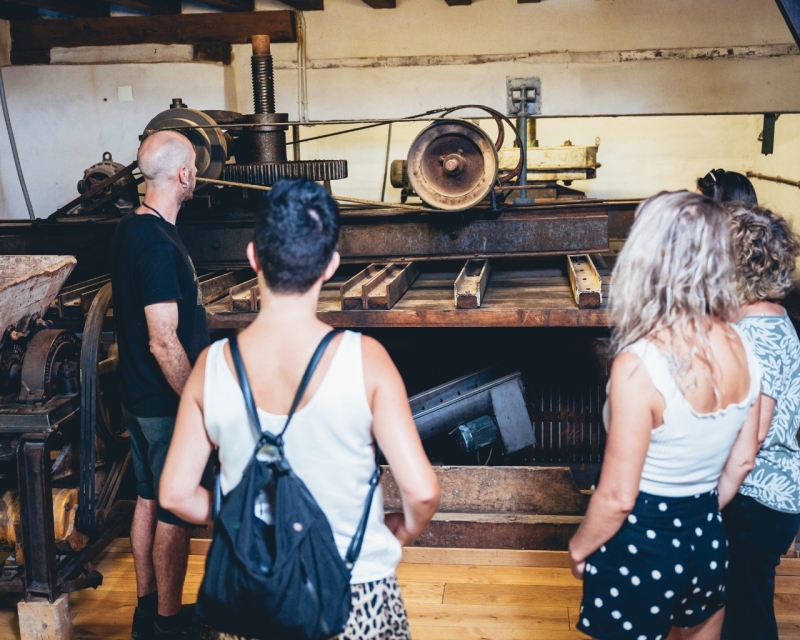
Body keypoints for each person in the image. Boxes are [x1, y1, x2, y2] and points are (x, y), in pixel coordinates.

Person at [159, 178, 441, 639]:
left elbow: (174, 495)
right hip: (354, 589)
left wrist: (240, 517)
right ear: (331, 265)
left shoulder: (211, 367)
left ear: (254, 257)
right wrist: (400, 532)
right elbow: (423, 493)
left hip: (255, 594)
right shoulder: (365, 359)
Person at [569, 191, 762, 640]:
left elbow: (618, 496)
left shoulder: (640, 365)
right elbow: (742, 460)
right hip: (708, 536)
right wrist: (696, 517)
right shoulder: (743, 345)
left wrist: (579, 548)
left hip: (642, 545)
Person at [109, 130, 209, 639]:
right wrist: (199, 405)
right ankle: (170, 624)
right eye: (194, 166)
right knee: (175, 506)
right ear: (183, 175)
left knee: (149, 500)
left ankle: (147, 612)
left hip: (139, 399)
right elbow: (163, 341)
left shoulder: (134, 229)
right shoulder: (155, 243)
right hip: (165, 403)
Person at [721, 205, 800, 640]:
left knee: (744, 622)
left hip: (756, 499)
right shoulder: (772, 319)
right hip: (763, 497)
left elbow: (753, 437)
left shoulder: (757, 337)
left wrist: (709, 501)